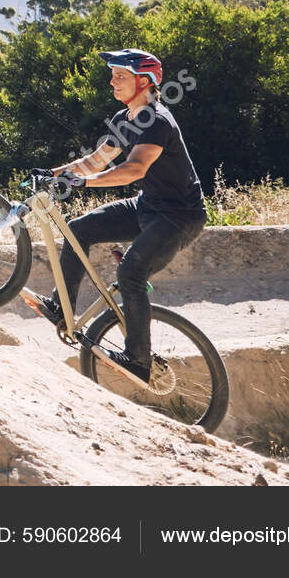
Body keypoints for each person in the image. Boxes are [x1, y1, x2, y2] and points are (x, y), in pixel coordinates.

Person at [33, 49, 208, 384]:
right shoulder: (124, 119)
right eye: (112, 74)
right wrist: (51, 173)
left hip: (179, 217)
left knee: (131, 271)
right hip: (148, 206)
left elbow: (133, 169)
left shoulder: (157, 121)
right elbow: (96, 161)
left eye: (121, 76)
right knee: (79, 229)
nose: (112, 81)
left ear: (144, 82)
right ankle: (62, 307)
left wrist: (80, 182)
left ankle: (139, 360)